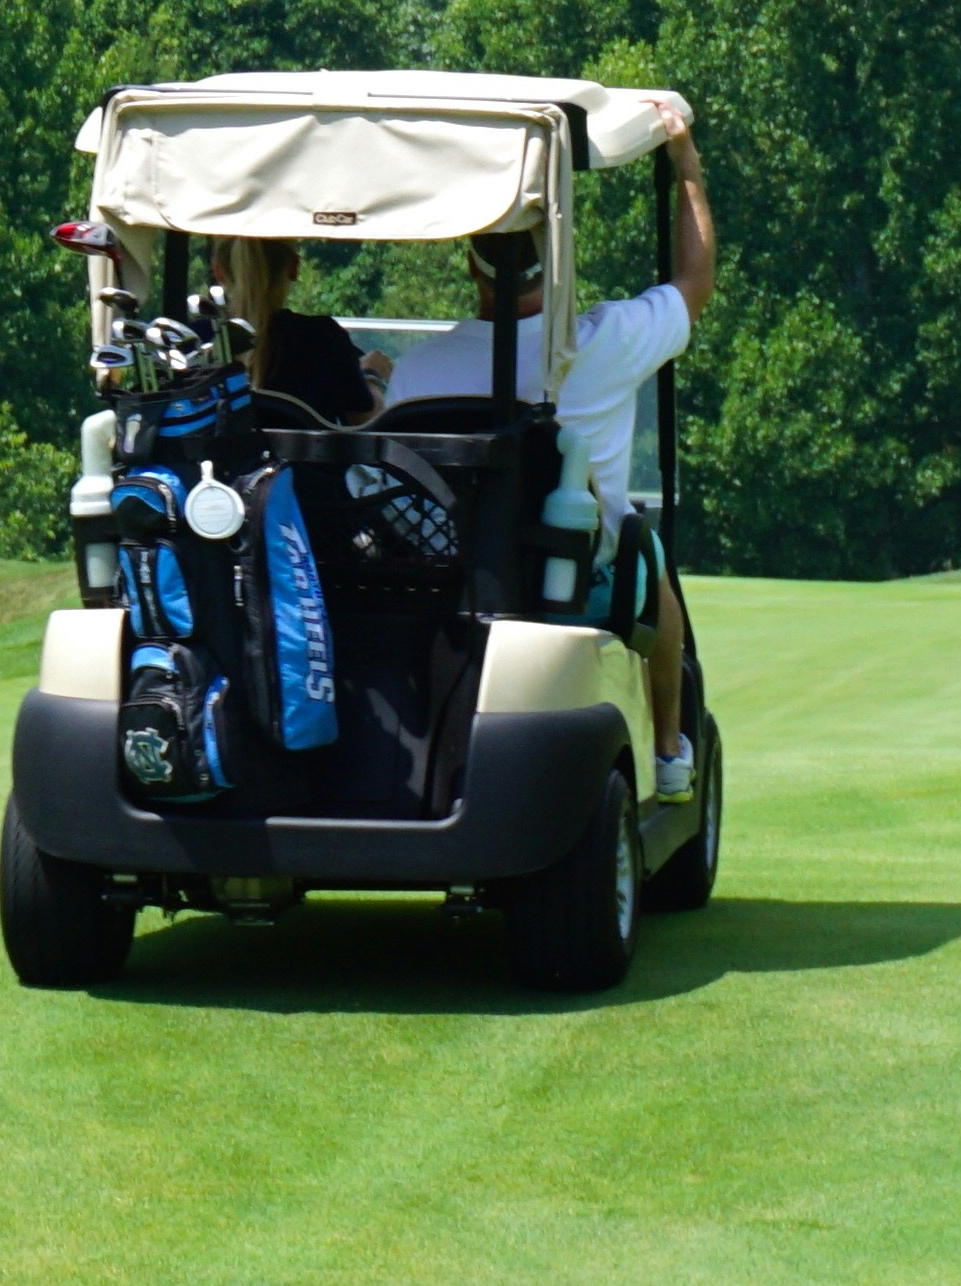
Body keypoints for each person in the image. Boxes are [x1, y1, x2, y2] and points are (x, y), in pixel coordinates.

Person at [374, 99, 712, 798]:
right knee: (646, 552)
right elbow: (694, 282)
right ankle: (670, 751)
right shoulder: (605, 342)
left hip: (449, 567)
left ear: (471, 267)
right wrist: (686, 169)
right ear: (551, 261)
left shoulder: (419, 373)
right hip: (572, 565)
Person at [219, 237, 383, 429]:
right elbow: (369, 428)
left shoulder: (205, 342)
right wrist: (372, 377)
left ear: (218, 270)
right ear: (294, 267)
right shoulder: (323, 338)